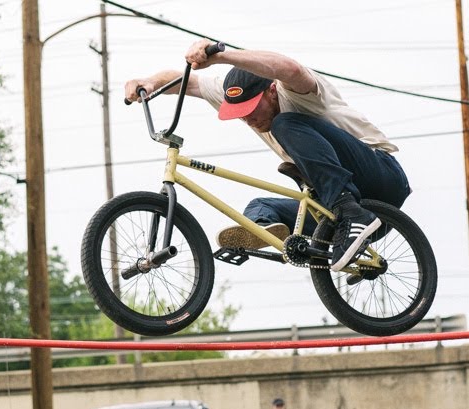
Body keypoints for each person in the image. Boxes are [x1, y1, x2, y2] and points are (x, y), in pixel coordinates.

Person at [124, 40, 411, 272]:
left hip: (381, 177)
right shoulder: (232, 94)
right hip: (343, 216)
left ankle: (350, 211)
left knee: (284, 124)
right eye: (240, 114)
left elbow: (290, 68)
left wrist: (222, 55)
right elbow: (187, 82)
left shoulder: (297, 92)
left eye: (251, 110)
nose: (248, 119)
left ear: (271, 91)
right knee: (260, 208)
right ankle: (281, 231)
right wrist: (148, 82)